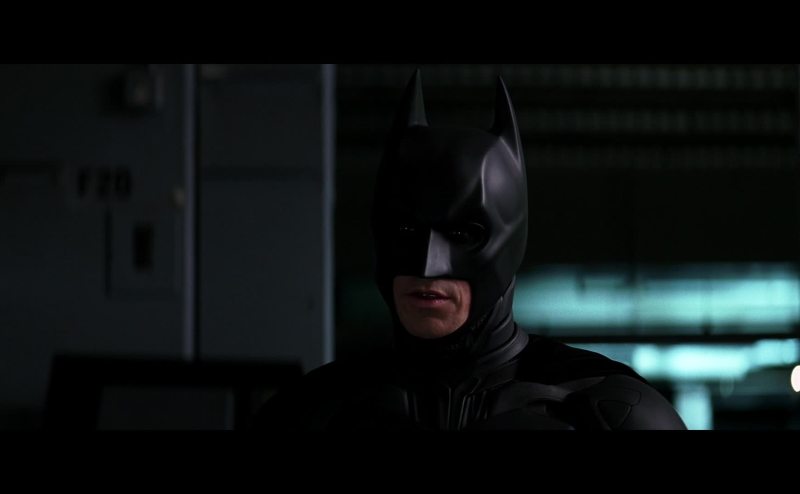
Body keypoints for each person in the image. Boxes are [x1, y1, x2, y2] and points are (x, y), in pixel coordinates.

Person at [253, 70, 687, 430]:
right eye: (405, 229)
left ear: (509, 241)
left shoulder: (608, 411)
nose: (428, 264)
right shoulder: (309, 412)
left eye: (462, 234)